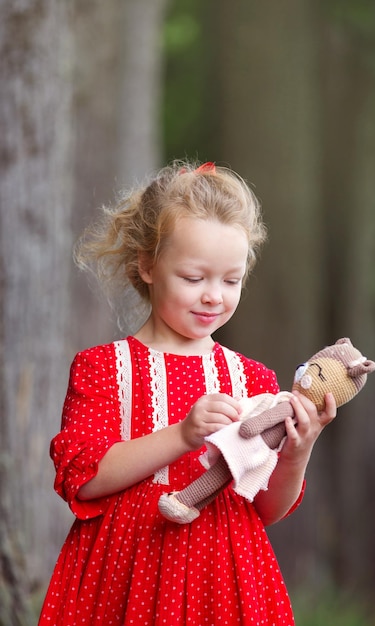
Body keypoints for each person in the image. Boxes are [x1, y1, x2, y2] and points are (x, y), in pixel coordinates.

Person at [38, 161, 336, 625]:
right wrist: (182, 434)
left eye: (231, 280)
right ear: (148, 265)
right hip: (125, 574)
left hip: (225, 580)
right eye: (194, 278)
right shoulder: (104, 367)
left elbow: (267, 509)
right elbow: (84, 477)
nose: (214, 296)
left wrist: (299, 451)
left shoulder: (251, 379)